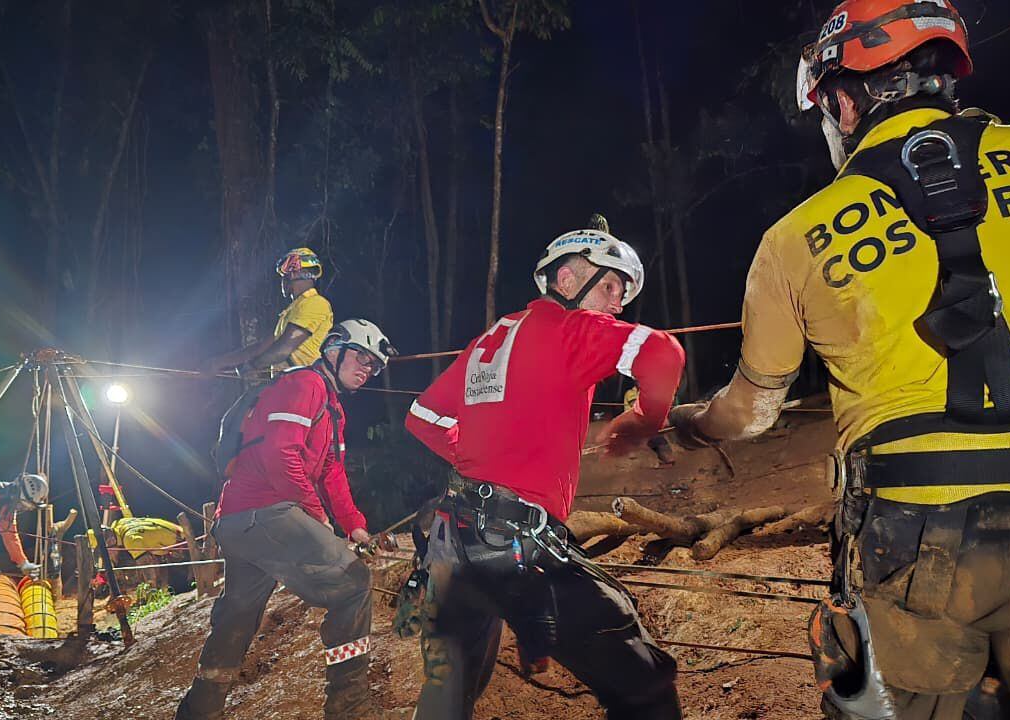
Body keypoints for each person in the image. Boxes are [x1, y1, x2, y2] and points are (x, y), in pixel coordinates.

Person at [668, 1, 1010, 717]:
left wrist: (692, 424)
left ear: (842, 100)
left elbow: (750, 413)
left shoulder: (794, 236)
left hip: (915, 530)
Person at [404, 224, 686, 719]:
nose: (617, 303)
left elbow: (422, 417)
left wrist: (480, 465)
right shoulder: (569, 330)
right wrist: (642, 421)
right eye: (610, 287)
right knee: (644, 683)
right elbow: (663, 353)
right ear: (566, 277)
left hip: (455, 539)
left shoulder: (490, 339)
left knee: (447, 697)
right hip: (517, 543)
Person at [176, 319, 398, 720]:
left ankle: (197, 711)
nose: (367, 369)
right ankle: (349, 709)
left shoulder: (332, 408)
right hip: (266, 512)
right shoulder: (304, 385)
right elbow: (280, 454)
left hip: (242, 521)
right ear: (334, 350)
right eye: (362, 358)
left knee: (239, 617)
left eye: (374, 366)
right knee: (352, 583)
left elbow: (331, 469)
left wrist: (355, 525)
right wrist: (316, 514)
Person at [204, 247, 335, 376]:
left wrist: (252, 366)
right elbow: (261, 347)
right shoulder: (294, 310)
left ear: (293, 273)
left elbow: (283, 350)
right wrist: (219, 362)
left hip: (304, 383)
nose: (281, 281)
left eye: (283, 276)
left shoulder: (315, 303)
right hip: (288, 383)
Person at [106, 515, 186, 590]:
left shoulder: (130, 540)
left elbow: (146, 564)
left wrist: (150, 588)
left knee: (178, 579)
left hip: (181, 542)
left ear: (111, 541)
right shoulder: (120, 523)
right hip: (176, 530)